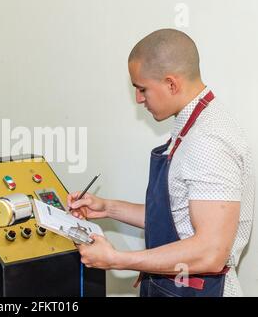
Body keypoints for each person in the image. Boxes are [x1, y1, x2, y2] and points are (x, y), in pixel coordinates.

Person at [67, 29, 255, 297]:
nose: (139, 99)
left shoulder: (209, 140)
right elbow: (177, 217)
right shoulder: (191, 126)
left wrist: (117, 259)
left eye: (142, 89)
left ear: (171, 84)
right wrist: (107, 207)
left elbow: (210, 252)